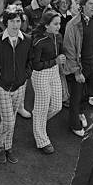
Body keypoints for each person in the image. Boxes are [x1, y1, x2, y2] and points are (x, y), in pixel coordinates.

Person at [0, 6, 33, 164]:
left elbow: (30, 61)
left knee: (11, 118)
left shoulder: (27, 40)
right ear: (6, 22)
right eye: (12, 21)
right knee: (9, 120)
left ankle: (7, 147)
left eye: (18, 21)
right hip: (2, 86)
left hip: (20, 85)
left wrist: (25, 75)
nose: (15, 24)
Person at [64, 0, 93, 137]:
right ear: (82, 5)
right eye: (90, 4)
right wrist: (76, 71)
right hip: (81, 65)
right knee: (76, 95)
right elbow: (69, 49)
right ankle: (74, 124)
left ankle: (81, 112)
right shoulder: (73, 24)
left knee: (91, 93)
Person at [31, 11, 65, 154]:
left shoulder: (58, 37)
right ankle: (42, 140)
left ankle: (38, 123)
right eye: (55, 24)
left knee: (57, 105)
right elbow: (36, 65)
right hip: (41, 75)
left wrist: (60, 59)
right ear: (46, 26)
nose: (58, 27)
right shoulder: (38, 42)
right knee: (42, 108)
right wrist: (55, 61)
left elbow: (60, 53)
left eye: (59, 24)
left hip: (54, 72)